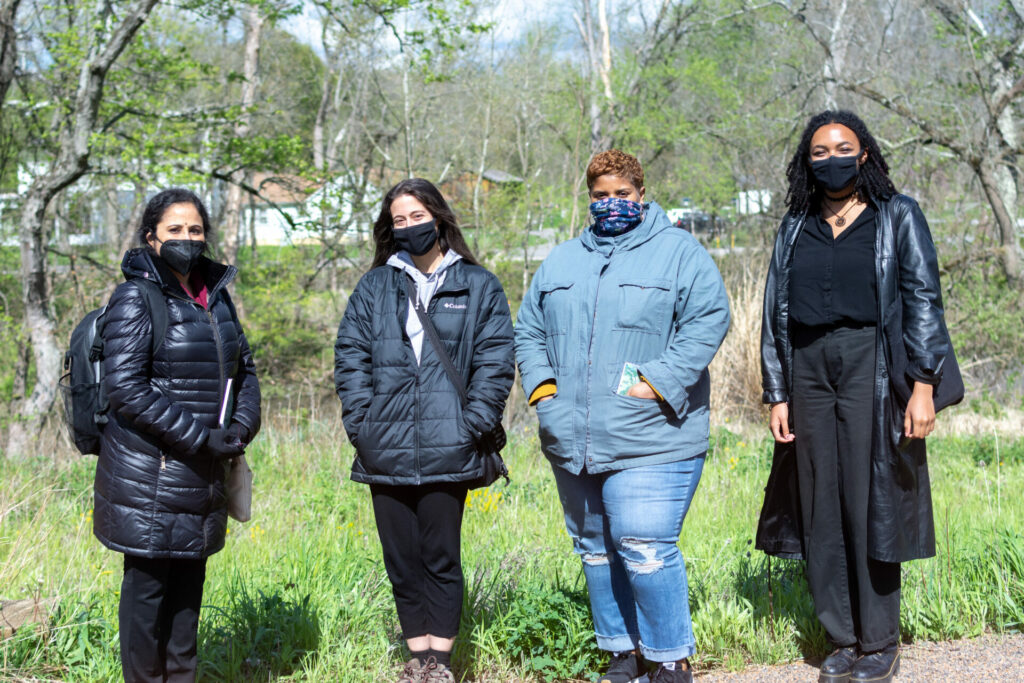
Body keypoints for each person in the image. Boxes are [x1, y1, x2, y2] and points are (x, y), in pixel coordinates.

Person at [515, 150, 731, 683]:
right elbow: (529, 329)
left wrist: (657, 382)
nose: (610, 204)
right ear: (589, 198)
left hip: (653, 433)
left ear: (640, 192)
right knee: (594, 549)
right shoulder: (562, 260)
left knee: (644, 544)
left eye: (621, 194)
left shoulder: (679, 253)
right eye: (600, 196)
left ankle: (667, 657)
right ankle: (622, 651)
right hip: (572, 435)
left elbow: (708, 319)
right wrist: (544, 391)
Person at [758, 110, 952, 683]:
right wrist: (777, 392)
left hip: (875, 362)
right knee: (820, 501)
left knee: (872, 499)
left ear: (864, 154)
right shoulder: (795, 224)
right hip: (809, 370)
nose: (831, 158)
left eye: (843, 147)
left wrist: (923, 386)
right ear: (806, 161)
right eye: (819, 151)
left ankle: (880, 641)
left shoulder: (897, 216)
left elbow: (923, 300)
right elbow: (774, 314)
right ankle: (840, 639)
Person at [334, 178, 515, 683]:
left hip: (450, 444)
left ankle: (441, 660)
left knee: (440, 557)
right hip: (383, 446)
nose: (410, 226)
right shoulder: (375, 286)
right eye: (399, 220)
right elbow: (351, 357)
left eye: (417, 216)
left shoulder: (477, 284)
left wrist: (473, 423)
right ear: (390, 229)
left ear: (438, 217)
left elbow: (496, 360)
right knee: (402, 561)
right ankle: (417, 657)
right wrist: (362, 425)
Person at [93, 188, 261, 683]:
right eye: (174, 230)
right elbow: (125, 387)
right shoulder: (136, 296)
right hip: (151, 474)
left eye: (195, 230)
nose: (187, 239)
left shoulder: (216, 297)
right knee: (148, 597)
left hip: (205, 471)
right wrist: (199, 437)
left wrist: (240, 429)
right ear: (151, 237)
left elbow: (245, 371)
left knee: (188, 598)